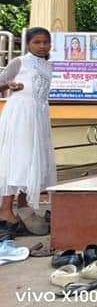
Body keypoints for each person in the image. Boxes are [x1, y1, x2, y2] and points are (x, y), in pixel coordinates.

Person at [0, 27, 54, 234]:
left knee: (33, 160)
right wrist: (9, 85)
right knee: (18, 160)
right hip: (20, 115)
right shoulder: (20, 62)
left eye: (45, 42)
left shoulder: (48, 65)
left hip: (38, 116)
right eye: (36, 42)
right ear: (28, 44)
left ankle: (23, 205)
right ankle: (5, 210)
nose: (42, 46)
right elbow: (1, 81)